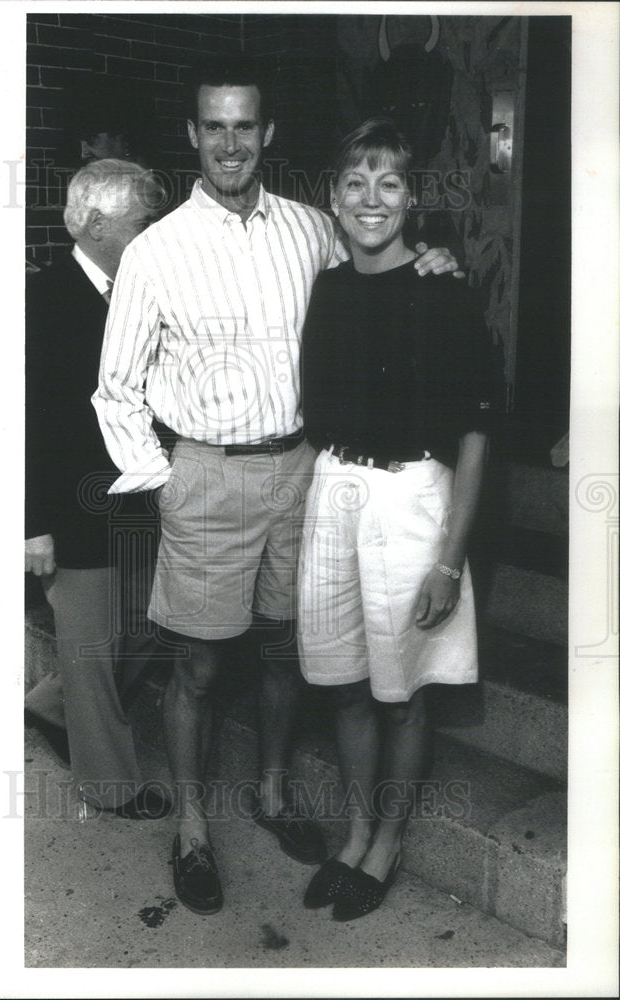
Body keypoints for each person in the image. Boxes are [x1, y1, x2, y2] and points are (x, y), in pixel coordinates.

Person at [92, 58, 461, 915]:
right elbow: (116, 386)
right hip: (207, 476)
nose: (230, 143)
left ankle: (268, 791)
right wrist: (167, 479)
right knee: (193, 665)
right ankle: (190, 828)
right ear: (193, 136)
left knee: (286, 651)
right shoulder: (155, 251)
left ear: (267, 134)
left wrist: (432, 257)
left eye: (243, 126)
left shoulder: (308, 229)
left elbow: (378, 260)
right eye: (213, 126)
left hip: (306, 470)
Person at [297, 117, 496, 920]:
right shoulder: (329, 285)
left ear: (410, 199)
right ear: (335, 200)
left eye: (387, 183)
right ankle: (354, 833)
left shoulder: (444, 290)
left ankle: (387, 843)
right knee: (343, 684)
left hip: (412, 496)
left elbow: (476, 435)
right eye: (354, 183)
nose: (370, 199)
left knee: (402, 692)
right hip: (333, 488)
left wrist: (448, 561)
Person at [25, 158, 170, 820]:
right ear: (94, 223)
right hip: (69, 512)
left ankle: (52, 705)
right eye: (145, 222)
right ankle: (110, 786)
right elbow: (21, 423)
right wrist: (30, 524)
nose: (155, 233)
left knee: (146, 629)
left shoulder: (141, 292)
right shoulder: (40, 299)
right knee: (89, 650)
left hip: (138, 503)